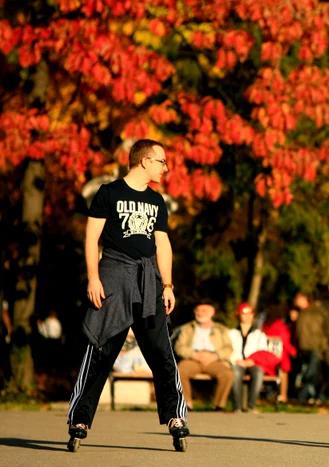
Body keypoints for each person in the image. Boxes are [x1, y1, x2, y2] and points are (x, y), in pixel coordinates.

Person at [66, 139, 189, 453]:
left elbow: (162, 244)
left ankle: (175, 416)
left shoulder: (156, 200)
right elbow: (92, 236)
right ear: (145, 161)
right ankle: (80, 419)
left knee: (162, 352)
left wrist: (168, 285)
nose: (165, 167)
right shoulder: (108, 193)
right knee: (101, 350)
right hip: (114, 275)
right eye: (161, 161)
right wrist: (93, 278)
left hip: (148, 280)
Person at [174, 303, 234, 411]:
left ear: (212, 312)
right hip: (192, 358)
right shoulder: (187, 328)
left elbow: (228, 348)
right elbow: (179, 347)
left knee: (227, 374)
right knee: (180, 370)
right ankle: (186, 403)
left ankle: (218, 405)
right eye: (197, 310)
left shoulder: (221, 329)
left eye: (204, 310)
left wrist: (215, 356)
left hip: (214, 359)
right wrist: (194, 355)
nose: (200, 313)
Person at [294, 292, 329, 405]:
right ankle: (317, 396)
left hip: (316, 347)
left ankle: (306, 396)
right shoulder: (301, 313)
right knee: (312, 373)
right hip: (306, 348)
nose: (296, 301)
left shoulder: (315, 312)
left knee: (313, 373)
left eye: (298, 298)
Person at [229, 302, 268, 412]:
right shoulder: (231, 333)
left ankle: (251, 406)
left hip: (253, 363)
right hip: (237, 362)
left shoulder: (259, 334)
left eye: (249, 313)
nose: (246, 316)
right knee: (235, 372)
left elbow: (263, 351)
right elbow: (228, 350)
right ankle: (237, 406)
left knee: (258, 372)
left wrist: (252, 361)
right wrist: (236, 360)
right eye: (243, 313)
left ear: (253, 315)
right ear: (239, 315)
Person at [262, 303, 298, 403]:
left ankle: (269, 395)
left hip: (266, 356)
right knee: (284, 373)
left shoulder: (265, 325)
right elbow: (285, 342)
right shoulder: (280, 326)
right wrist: (293, 351)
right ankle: (283, 395)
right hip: (280, 356)